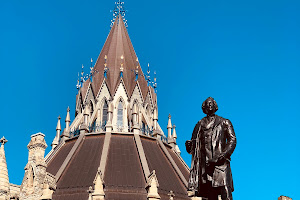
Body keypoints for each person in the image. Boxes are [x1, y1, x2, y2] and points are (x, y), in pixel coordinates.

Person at [186, 97, 237, 200]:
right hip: (206, 167)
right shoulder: (199, 124)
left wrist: (222, 155)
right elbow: (193, 148)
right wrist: (189, 146)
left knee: (226, 194)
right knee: (210, 197)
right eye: (207, 103)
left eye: (211, 103)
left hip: (221, 165)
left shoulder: (224, 122)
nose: (210, 105)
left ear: (215, 106)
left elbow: (232, 140)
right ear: (204, 108)